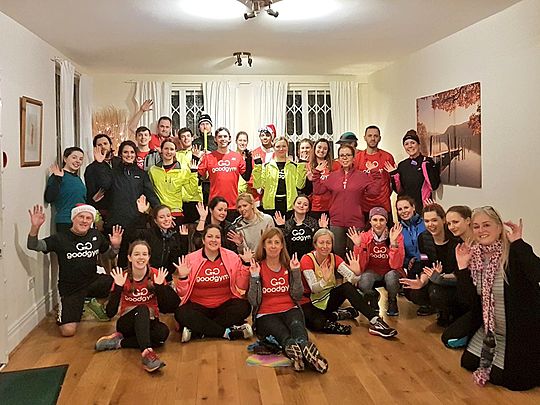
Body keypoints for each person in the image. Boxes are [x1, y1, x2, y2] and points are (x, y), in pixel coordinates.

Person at [454, 208, 540, 391]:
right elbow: (467, 301)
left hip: (518, 330)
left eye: (487, 225)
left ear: (499, 228)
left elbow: (537, 273)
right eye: (476, 226)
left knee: (512, 381)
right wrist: (462, 267)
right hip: (491, 331)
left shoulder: (513, 252)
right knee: (468, 362)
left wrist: (519, 243)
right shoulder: (475, 256)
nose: (481, 230)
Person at [27, 204, 123, 336]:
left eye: (88, 218)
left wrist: (116, 247)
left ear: (92, 221)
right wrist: (35, 228)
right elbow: (33, 245)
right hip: (71, 289)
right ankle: (71, 309)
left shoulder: (96, 235)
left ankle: (94, 304)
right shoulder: (60, 238)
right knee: (68, 331)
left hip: (93, 280)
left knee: (118, 282)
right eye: (81, 217)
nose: (84, 221)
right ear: (73, 219)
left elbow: (109, 255)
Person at [247, 227, 328, 373]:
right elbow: (253, 300)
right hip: (266, 314)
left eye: (277, 242)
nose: (273, 246)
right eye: (269, 242)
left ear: (282, 245)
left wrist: (296, 272)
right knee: (283, 334)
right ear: (263, 245)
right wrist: (254, 277)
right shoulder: (257, 267)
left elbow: (297, 296)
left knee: (298, 329)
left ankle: (304, 350)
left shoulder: (289, 265)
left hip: (290, 309)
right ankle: (295, 350)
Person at [300, 228, 398, 338]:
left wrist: (357, 273)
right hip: (308, 301)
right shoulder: (306, 260)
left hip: (327, 298)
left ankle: (375, 320)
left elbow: (352, 280)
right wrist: (324, 280)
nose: (325, 246)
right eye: (321, 242)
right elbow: (314, 288)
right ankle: (340, 314)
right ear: (315, 244)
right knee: (317, 324)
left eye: (328, 242)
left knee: (347, 287)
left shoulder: (334, 258)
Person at [95, 241, 170, 373]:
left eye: (144, 254)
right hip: (127, 324)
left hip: (150, 321)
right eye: (136, 254)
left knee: (162, 334)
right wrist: (117, 288)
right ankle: (147, 354)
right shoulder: (122, 276)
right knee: (142, 308)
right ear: (130, 257)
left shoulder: (156, 275)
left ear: (149, 257)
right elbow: (110, 312)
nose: (141, 257)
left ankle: (118, 343)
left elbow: (165, 309)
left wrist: (160, 288)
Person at [173, 224, 253, 342]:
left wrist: (246, 265)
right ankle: (227, 332)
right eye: (210, 236)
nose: (214, 240)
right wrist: (183, 278)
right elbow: (182, 293)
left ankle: (198, 330)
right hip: (198, 306)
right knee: (181, 313)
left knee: (244, 307)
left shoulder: (232, 256)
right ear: (203, 240)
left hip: (224, 305)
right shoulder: (190, 259)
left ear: (221, 240)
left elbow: (242, 286)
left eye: (217, 237)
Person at [312, 143, 382, 259]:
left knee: (354, 255)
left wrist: (374, 172)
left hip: (355, 222)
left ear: (353, 158)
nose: (344, 158)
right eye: (342, 155)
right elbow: (318, 190)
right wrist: (317, 173)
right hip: (336, 222)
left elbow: (374, 192)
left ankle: (353, 277)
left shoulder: (361, 176)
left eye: (348, 155)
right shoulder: (332, 176)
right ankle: (338, 277)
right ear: (338, 159)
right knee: (337, 255)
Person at [99, 140, 160, 267]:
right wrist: (100, 164)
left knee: (135, 257)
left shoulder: (141, 174)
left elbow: (151, 195)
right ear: (120, 154)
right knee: (119, 259)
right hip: (116, 222)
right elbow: (104, 185)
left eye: (132, 152)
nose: (129, 154)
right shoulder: (113, 172)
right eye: (126, 152)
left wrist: (161, 212)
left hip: (136, 222)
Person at [399, 203, 460, 322]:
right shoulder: (423, 238)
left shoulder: (455, 239)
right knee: (414, 292)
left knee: (435, 293)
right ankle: (438, 309)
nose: (430, 225)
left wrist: (440, 277)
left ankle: (451, 312)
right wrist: (421, 282)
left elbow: (460, 274)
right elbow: (425, 265)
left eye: (434, 220)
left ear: (443, 220)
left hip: (453, 280)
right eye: (426, 221)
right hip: (434, 277)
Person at [348, 207, 405, 316]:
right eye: (375, 220)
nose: (378, 224)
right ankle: (373, 296)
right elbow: (360, 266)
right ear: (370, 221)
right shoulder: (363, 237)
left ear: (386, 221)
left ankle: (392, 300)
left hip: (390, 271)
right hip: (372, 271)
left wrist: (393, 244)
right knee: (364, 281)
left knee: (392, 277)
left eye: (381, 220)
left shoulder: (396, 236)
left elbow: (396, 265)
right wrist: (359, 246)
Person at [198, 127, 250, 221]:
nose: (223, 139)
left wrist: (249, 161)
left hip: (233, 205)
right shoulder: (208, 157)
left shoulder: (237, 157)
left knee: (232, 234)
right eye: (220, 137)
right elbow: (198, 177)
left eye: (225, 136)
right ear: (215, 139)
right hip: (215, 205)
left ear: (229, 139)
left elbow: (246, 177)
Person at [133, 201, 190, 284]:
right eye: (162, 217)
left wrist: (184, 239)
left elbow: (179, 259)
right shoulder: (149, 234)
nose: (166, 219)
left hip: (166, 278)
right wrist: (141, 214)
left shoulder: (173, 236)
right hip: (148, 277)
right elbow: (132, 234)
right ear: (156, 220)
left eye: (168, 216)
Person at [386, 129, 440, 212]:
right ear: (404, 147)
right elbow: (398, 190)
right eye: (406, 144)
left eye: (413, 143)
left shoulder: (427, 162)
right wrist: (394, 174)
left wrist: (425, 166)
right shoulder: (402, 165)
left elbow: (434, 186)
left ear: (418, 144)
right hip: (405, 210)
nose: (410, 146)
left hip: (421, 208)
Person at [148, 139, 199, 226]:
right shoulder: (153, 170)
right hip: (159, 214)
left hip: (176, 213)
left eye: (172, 149)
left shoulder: (182, 171)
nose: (169, 152)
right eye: (166, 148)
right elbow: (149, 192)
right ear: (161, 150)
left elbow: (192, 192)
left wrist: (193, 173)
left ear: (175, 151)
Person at [253, 136, 307, 217]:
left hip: (289, 205)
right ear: (273, 147)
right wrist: (258, 166)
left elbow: (300, 185)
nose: (281, 149)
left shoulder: (293, 166)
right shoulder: (267, 166)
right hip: (271, 205)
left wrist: (302, 165)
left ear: (287, 147)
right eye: (278, 146)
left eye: (284, 146)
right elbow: (258, 185)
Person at [354, 126, 396, 226]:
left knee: (386, 239)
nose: (373, 138)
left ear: (380, 138)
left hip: (383, 205)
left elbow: (392, 182)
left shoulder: (387, 157)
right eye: (370, 136)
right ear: (364, 138)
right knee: (364, 239)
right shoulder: (357, 158)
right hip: (364, 207)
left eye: (375, 136)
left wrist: (384, 194)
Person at [44, 147, 86, 233]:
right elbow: (49, 198)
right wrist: (57, 178)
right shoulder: (58, 176)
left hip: (81, 221)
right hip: (65, 221)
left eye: (80, 159)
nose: (78, 161)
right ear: (65, 159)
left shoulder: (78, 178)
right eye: (74, 157)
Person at [273, 194, 328, 259]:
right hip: (291, 259)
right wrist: (281, 227)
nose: (301, 206)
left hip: (310, 259)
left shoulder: (313, 223)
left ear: (308, 209)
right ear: (293, 206)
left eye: (305, 205)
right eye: (299, 203)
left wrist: (323, 229)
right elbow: (283, 244)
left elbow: (318, 243)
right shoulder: (287, 223)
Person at [84, 134, 121, 222]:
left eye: (105, 143)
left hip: (122, 209)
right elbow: (91, 194)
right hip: (104, 212)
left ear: (110, 145)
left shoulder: (120, 162)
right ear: (95, 148)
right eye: (99, 145)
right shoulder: (91, 168)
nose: (103, 146)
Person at [176, 127, 204, 223]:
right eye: (183, 137)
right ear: (179, 140)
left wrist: (197, 158)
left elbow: (204, 175)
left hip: (195, 196)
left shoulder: (201, 154)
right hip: (179, 197)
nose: (186, 138)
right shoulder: (175, 155)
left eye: (188, 136)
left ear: (192, 138)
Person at [307, 139, 337, 219]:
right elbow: (307, 190)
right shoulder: (308, 166)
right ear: (314, 148)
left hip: (331, 206)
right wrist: (308, 181)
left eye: (325, 148)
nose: (321, 150)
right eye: (319, 147)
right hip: (316, 207)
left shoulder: (335, 165)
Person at [396, 195, 426, 277]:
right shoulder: (398, 230)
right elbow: (400, 254)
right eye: (400, 209)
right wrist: (408, 261)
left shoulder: (425, 223)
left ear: (413, 207)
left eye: (406, 207)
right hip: (411, 267)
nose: (403, 211)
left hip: (427, 262)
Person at [235, 131, 255, 197]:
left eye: (244, 141)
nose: (242, 143)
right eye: (240, 140)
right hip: (234, 193)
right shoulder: (232, 156)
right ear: (236, 141)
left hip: (247, 194)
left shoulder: (250, 157)